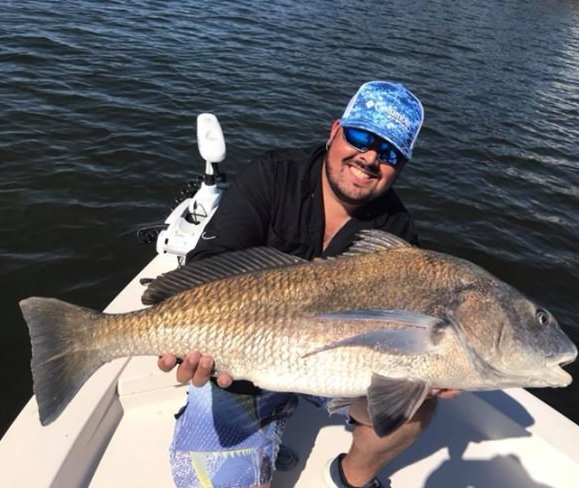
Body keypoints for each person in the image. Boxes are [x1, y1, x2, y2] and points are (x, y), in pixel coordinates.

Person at [157, 80, 460, 488]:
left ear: (400, 167)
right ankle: (265, 418)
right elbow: (212, 262)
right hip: (240, 363)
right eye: (361, 136)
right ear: (335, 129)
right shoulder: (274, 175)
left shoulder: (396, 231)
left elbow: (404, 329)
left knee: (414, 407)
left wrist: (433, 369)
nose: (369, 157)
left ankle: (350, 478)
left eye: (388, 152)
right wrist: (195, 337)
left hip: (341, 369)